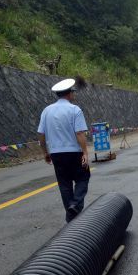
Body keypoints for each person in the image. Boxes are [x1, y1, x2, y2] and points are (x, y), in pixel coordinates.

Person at [37, 78, 90, 223]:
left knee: (64, 184)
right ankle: (75, 204)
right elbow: (80, 133)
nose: (74, 95)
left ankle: (70, 216)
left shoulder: (46, 111)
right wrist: (85, 152)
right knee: (83, 177)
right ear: (69, 93)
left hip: (56, 154)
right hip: (73, 152)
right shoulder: (74, 109)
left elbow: (41, 135)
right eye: (73, 92)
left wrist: (45, 153)